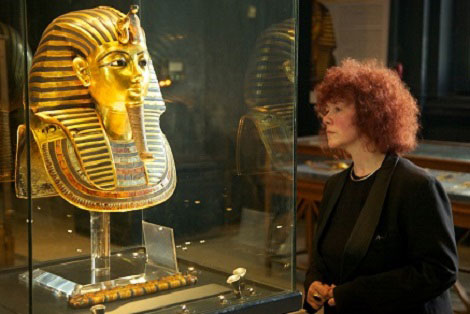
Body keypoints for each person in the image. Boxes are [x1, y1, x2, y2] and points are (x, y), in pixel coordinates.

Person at [304, 58, 458, 314]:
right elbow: (321, 258)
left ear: (369, 114)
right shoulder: (335, 185)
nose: (326, 119)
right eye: (326, 110)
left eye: (338, 109)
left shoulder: (415, 186)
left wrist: (351, 294)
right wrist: (313, 284)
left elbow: (439, 270)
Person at [16, 6, 176, 211]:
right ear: (82, 72)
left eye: (142, 62)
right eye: (119, 62)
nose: (137, 75)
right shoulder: (46, 139)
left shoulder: (158, 140)